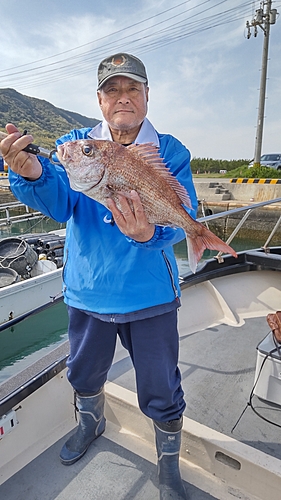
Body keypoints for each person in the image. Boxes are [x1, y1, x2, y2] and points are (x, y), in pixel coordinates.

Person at [0, 53, 198, 500]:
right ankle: (90, 423)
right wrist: (30, 172)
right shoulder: (76, 143)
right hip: (88, 291)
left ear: (147, 95)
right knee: (84, 373)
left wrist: (151, 232)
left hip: (149, 295)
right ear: (100, 100)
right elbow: (59, 199)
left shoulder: (171, 151)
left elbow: (186, 213)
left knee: (161, 386)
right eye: (112, 90)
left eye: (132, 89)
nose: (122, 98)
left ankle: (168, 468)